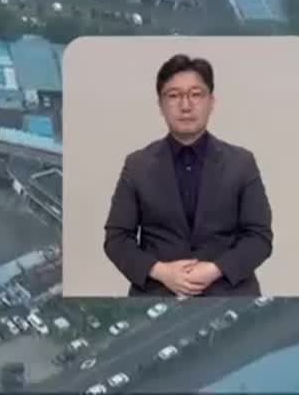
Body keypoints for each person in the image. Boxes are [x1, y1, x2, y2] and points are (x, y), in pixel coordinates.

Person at [103, 54, 273, 297]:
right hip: (157, 293)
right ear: (161, 105)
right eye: (173, 96)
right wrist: (162, 272)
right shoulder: (137, 165)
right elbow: (117, 239)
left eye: (196, 94)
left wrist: (215, 269)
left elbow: (259, 237)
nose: (185, 106)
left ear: (211, 102)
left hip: (229, 292)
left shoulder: (242, 163)